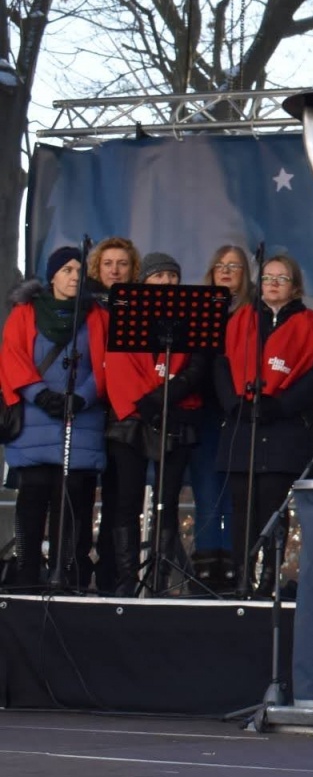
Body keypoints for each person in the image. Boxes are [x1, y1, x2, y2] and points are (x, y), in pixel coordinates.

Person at [214, 252, 313, 596]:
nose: (273, 283)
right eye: (267, 278)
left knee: (273, 506)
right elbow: (220, 364)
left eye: (281, 278)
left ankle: (268, 577)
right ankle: (240, 575)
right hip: (242, 426)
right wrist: (233, 403)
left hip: (284, 428)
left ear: (295, 286)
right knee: (242, 507)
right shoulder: (241, 318)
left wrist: (279, 405)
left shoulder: (311, 322)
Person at [100, 252, 210, 596]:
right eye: (159, 277)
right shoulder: (127, 314)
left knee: (168, 500)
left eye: (172, 277)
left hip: (174, 415)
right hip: (132, 419)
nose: (167, 283)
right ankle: (128, 578)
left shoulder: (192, 317)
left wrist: (166, 397)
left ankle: (159, 579)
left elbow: (195, 366)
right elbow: (118, 364)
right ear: (144, 281)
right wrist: (147, 404)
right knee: (127, 499)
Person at [0, 247, 109, 586]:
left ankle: (66, 575)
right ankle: (26, 573)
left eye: (79, 270)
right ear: (52, 276)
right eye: (67, 269)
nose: (75, 276)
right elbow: (12, 356)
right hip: (34, 421)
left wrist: (83, 397)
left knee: (73, 501)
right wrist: (39, 394)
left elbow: (106, 363)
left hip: (80, 422)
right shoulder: (25, 312)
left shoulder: (97, 315)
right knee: (32, 499)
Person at [185, 244, 254, 591]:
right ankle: (206, 570)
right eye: (220, 266)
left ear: (246, 275)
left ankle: (235, 570)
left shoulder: (255, 314)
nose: (226, 271)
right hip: (204, 414)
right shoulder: (198, 312)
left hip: (242, 413)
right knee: (208, 493)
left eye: (235, 266)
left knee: (237, 495)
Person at [85, 236, 142, 590]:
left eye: (122, 264)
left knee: (122, 498)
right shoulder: (85, 306)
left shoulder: (138, 306)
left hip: (126, 415)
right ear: (97, 267)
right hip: (89, 409)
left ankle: (116, 576)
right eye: (108, 264)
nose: (115, 270)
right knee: (83, 494)